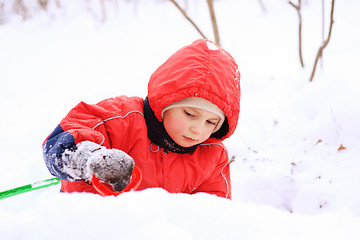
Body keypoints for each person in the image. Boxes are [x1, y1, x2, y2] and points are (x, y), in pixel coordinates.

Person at [42, 39, 241, 199]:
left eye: (211, 122)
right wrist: (89, 158)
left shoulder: (212, 157)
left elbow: (212, 214)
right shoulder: (121, 120)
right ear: (165, 104)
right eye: (190, 114)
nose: (198, 130)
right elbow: (60, 144)